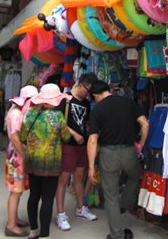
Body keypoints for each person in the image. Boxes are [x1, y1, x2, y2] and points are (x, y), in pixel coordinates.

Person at [87, 80, 149, 239]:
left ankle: (117, 235)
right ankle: (126, 203)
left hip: (108, 154)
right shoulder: (128, 102)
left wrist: (91, 166)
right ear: (109, 90)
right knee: (135, 177)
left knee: (110, 195)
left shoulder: (97, 110)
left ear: (95, 95)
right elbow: (145, 124)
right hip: (129, 151)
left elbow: (93, 140)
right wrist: (140, 144)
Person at [20, 83, 71, 239]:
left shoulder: (29, 114)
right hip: (51, 163)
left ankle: (33, 230)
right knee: (48, 199)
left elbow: (23, 138)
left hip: (32, 162)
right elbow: (67, 138)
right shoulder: (58, 117)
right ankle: (45, 234)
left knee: (34, 196)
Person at [55, 73, 98, 231]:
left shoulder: (86, 104)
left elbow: (86, 123)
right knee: (63, 179)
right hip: (68, 144)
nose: (89, 94)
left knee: (79, 177)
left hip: (82, 145)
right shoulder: (64, 99)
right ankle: (61, 215)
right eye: (88, 89)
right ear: (81, 85)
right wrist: (73, 134)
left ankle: (81, 209)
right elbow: (57, 121)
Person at [4, 85, 38, 237]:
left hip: (15, 157)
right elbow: (15, 139)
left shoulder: (15, 111)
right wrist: (25, 156)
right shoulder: (17, 114)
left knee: (16, 191)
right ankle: (11, 225)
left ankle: (14, 219)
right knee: (15, 192)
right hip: (16, 158)